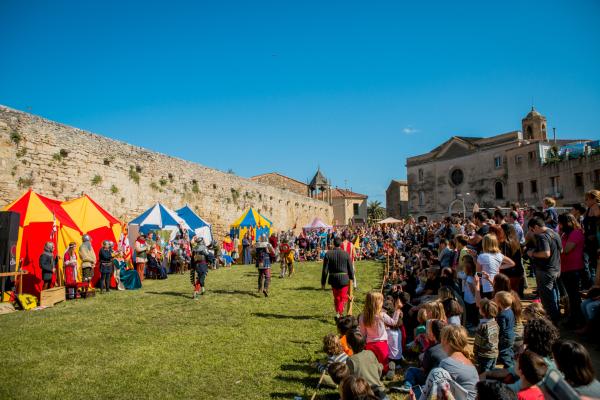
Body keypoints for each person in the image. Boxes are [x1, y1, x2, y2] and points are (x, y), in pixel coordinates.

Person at [421, 325, 479, 400]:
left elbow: (435, 390)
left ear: (446, 341)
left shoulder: (446, 363)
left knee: (435, 372)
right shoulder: (470, 363)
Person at [526, 217, 563, 323]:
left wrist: (532, 253)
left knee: (547, 298)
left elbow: (546, 253)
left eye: (532, 230)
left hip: (545, 270)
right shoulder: (555, 233)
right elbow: (561, 249)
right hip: (556, 269)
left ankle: (552, 321)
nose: (532, 233)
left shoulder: (542, 236)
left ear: (536, 227)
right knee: (554, 294)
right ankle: (556, 316)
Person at [397, 319, 447, 394]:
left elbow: (424, 369)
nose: (427, 332)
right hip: (446, 379)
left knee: (411, 370)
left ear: (433, 335)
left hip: (432, 379)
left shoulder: (431, 350)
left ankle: (407, 386)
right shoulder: (448, 347)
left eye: (428, 330)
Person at [359, 292, 401, 374]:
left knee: (372, 362)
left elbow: (363, 333)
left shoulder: (362, 316)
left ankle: (373, 373)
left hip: (369, 344)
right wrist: (397, 310)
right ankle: (383, 374)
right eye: (382, 301)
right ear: (378, 303)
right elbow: (394, 322)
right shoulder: (382, 315)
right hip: (381, 344)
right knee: (384, 363)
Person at [558, 213, 585, 326]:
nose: (559, 225)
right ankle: (573, 318)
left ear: (567, 223)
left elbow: (566, 249)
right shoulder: (565, 234)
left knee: (574, 297)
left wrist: (557, 249)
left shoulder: (576, 233)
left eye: (561, 223)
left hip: (574, 269)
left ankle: (577, 320)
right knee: (571, 296)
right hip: (565, 268)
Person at [346, 330, 387, 399]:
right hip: (380, 389)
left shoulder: (350, 360)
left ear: (349, 345)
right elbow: (379, 370)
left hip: (364, 394)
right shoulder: (370, 353)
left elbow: (351, 380)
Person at [321, 237, 355, 318]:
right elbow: (351, 268)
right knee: (341, 298)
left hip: (333, 279)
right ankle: (339, 314)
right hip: (344, 279)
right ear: (341, 244)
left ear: (333, 244)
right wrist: (352, 279)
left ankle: (338, 313)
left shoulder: (328, 254)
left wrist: (323, 282)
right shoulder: (346, 254)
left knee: (337, 297)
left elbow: (325, 270)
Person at [477, 234, 515, 299]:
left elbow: (478, 273)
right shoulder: (499, 255)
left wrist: (478, 284)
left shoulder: (481, 256)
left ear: (484, 244)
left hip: (486, 286)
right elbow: (512, 263)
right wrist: (498, 267)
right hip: (497, 285)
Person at [474, 299, 499, 373]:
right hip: (494, 354)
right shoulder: (495, 323)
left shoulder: (482, 326)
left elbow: (478, 342)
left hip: (484, 355)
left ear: (483, 312)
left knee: (484, 374)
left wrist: (475, 353)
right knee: (492, 373)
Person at [583, 190, 600, 286]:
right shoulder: (589, 209)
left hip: (596, 241)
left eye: (587, 199)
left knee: (596, 265)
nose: (586, 201)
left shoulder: (597, 206)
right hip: (589, 241)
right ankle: (593, 286)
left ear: (594, 198)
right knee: (592, 265)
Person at [495, 291, 515, 368]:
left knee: (503, 353)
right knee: (509, 351)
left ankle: (510, 368)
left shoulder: (502, 315)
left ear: (499, 303)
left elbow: (501, 329)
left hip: (505, 337)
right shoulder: (510, 311)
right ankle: (511, 365)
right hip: (511, 335)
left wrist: (497, 337)